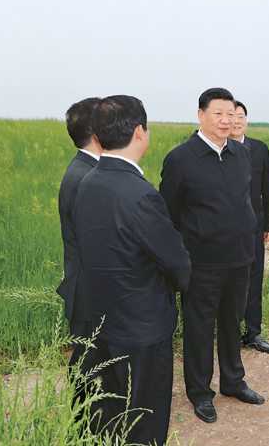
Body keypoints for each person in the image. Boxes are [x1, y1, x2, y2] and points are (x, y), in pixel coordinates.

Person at [73, 95, 191, 445]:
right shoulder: (140, 194)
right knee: (144, 418)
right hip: (143, 328)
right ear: (140, 132)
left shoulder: (87, 182)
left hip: (103, 321)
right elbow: (178, 265)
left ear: (98, 135)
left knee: (111, 412)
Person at [159, 88, 264, 424]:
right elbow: (169, 214)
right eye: (218, 113)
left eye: (231, 113)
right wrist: (182, 256)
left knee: (232, 323)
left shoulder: (241, 153)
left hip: (240, 258)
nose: (226, 120)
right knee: (200, 329)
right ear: (201, 115)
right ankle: (200, 393)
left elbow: (246, 201)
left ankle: (233, 381)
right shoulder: (180, 158)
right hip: (202, 262)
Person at [57, 97, 102, 397]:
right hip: (88, 288)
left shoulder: (83, 168)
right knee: (88, 363)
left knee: (88, 358)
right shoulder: (88, 177)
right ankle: (81, 420)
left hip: (84, 284)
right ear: (98, 132)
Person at [230, 101, 269, 353]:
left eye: (241, 116)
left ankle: (253, 333)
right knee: (228, 279)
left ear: (246, 120)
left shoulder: (259, 149)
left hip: (255, 226)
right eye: (233, 116)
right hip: (226, 227)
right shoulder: (218, 149)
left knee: (254, 277)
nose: (237, 121)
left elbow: (267, 189)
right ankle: (229, 332)